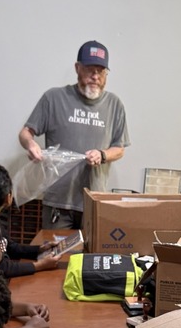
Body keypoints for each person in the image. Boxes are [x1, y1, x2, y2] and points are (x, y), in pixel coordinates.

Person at [18, 40, 130, 231]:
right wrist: (31, 145)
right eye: (90, 69)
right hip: (58, 202)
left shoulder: (114, 105)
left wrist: (102, 155)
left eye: (101, 71)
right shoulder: (54, 98)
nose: (95, 76)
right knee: (54, 256)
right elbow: (25, 132)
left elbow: (119, 149)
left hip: (93, 202)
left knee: (88, 259)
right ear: (77, 68)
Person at [0, 163, 61, 277]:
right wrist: (40, 265)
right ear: (8, 198)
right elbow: (1, 267)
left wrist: (40, 249)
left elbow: (11, 247)